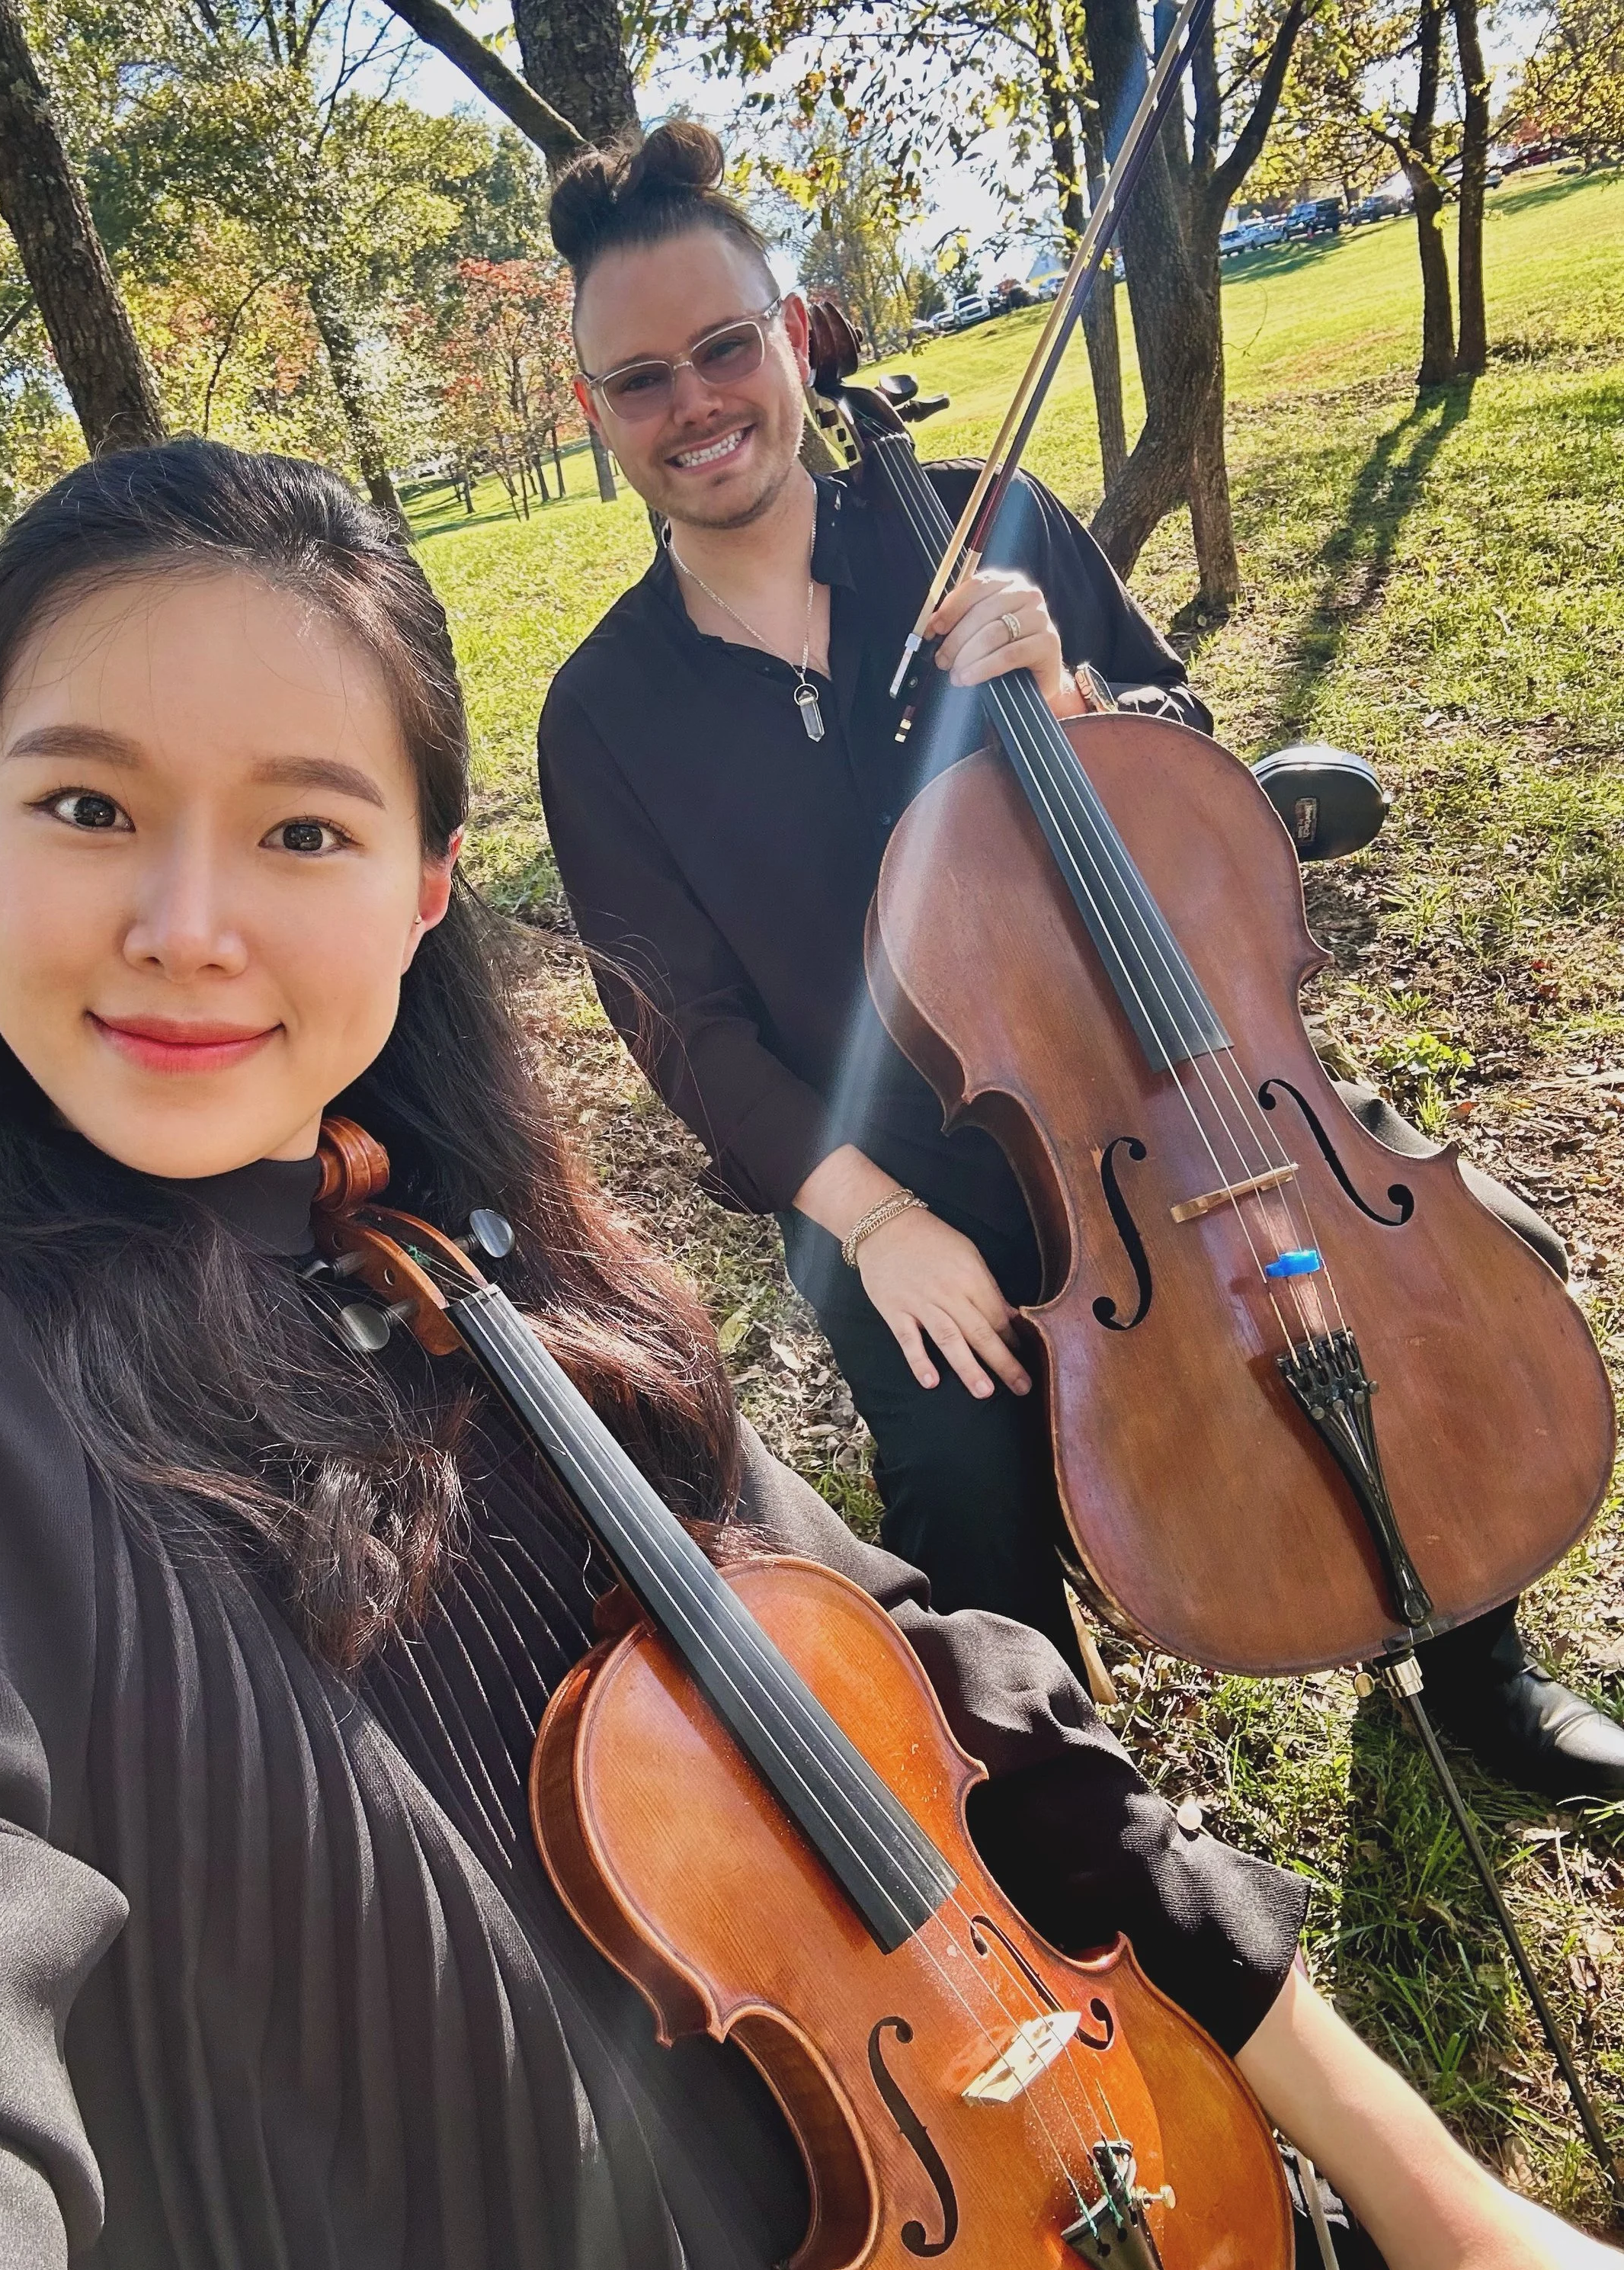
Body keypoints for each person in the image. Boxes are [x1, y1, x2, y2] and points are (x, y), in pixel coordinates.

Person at [0, 438, 1619, 2270]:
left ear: (423, 885)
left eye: (304, 831)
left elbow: (979, 1732)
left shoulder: (515, 1290)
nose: (187, 922)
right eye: (88, 802)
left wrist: (1442, 2215)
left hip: (1071, 2232)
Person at [535, 121, 1624, 1804]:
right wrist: (878, 1228)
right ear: (596, 410)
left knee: (1406, 1292)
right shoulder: (603, 715)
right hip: (882, 1162)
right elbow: (685, 1033)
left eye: (723, 345)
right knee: (961, 1466)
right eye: (639, 378)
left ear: (793, 331)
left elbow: (1182, 752)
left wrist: (1071, 696)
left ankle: (1462, 1664)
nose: (695, 402)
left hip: (1150, 1066)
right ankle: (1077, 1817)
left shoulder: (987, 523)